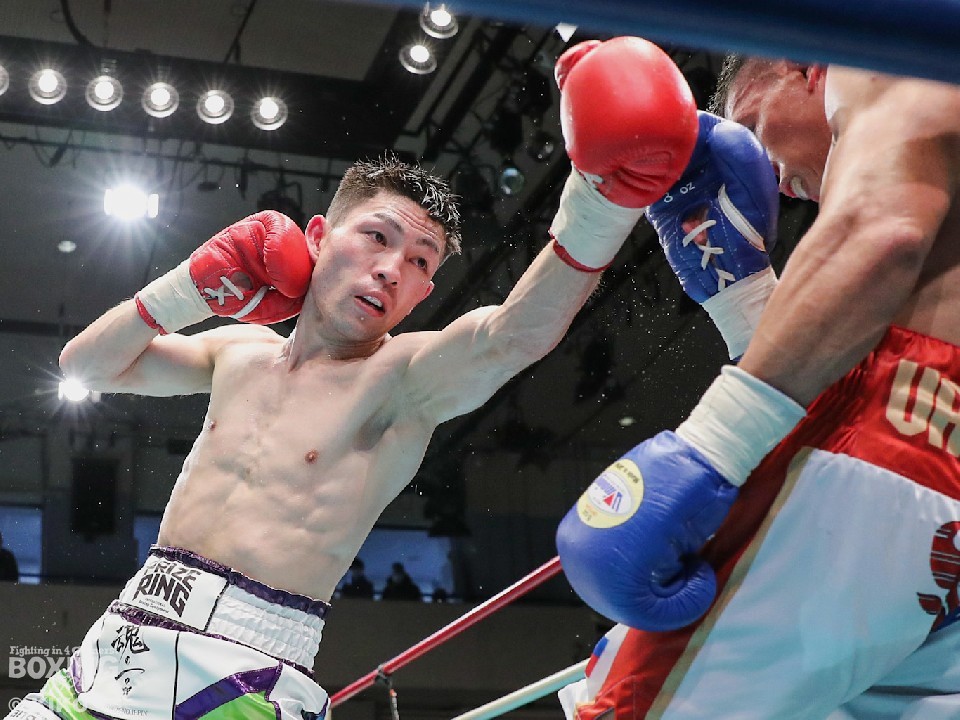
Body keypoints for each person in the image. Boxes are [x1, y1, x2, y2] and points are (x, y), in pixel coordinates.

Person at [6, 37, 700, 720]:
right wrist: (188, 288)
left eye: (421, 262)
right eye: (377, 236)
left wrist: (603, 203)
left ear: (423, 293)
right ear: (318, 236)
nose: (392, 269)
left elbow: (512, 336)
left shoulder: (400, 381)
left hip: (243, 666)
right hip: (124, 631)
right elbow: (85, 365)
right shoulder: (238, 350)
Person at [556, 50, 960, 719]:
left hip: (895, 445)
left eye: (751, 125)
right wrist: (743, 303)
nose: (767, 172)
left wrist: (712, 446)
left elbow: (882, 233)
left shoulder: (885, 48)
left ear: (803, 66)